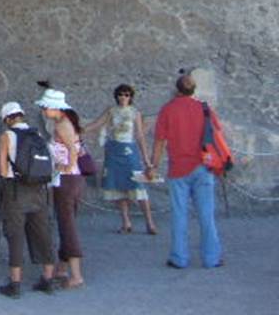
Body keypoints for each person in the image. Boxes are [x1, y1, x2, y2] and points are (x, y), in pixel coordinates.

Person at [146, 73, 223, 269]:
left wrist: (154, 166)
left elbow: (160, 141)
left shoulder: (167, 109)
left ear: (177, 89)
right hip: (203, 165)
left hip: (178, 168)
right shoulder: (204, 108)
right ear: (194, 89)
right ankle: (212, 258)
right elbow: (216, 133)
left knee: (179, 215)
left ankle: (179, 258)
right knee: (207, 215)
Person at [0, 101, 56, 298]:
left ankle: (15, 284)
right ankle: (48, 279)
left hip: (16, 190)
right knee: (42, 232)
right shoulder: (37, 135)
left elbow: (3, 170)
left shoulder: (7, 136)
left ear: (7, 119)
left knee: (15, 234)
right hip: (39, 190)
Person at [86, 83, 158, 234]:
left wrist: (146, 160)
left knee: (138, 186)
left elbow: (139, 135)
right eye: (120, 94)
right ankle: (126, 222)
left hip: (129, 150)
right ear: (116, 96)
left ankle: (150, 222)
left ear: (130, 97)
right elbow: (97, 124)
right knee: (118, 187)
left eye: (126, 95)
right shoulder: (111, 111)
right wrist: (80, 129)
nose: (123, 97)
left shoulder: (135, 112)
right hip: (114, 150)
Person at [36, 88, 85, 289]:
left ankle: (76, 275)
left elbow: (72, 150)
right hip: (71, 178)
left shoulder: (62, 125)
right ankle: (63, 268)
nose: (44, 110)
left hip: (66, 179)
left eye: (45, 107)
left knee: (67, 226)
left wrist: (66, 165)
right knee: (66, 222)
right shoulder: (65, 122)